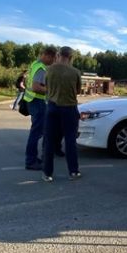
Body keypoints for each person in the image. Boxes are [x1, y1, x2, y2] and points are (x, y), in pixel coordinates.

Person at [42, 46, 82, 181]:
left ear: (59, 55)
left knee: (49, 140)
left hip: (52, 107)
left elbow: (46, 88)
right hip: (69, 108)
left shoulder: (49, 70)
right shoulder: (75, 72)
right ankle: (73, 172)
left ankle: (47, 174)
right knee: (70, 140)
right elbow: (77, 91)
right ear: (70, 58)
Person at [24, 47, 57, 170]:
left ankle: (32, 157)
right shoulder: (41, 68)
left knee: (37, 131)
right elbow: (36, 87)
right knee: (36, 132)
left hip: (32, 101)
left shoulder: (35, 64)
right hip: (37, 102)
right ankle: (31, 161)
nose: (53, 62)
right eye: (53, 59)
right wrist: (50, 90)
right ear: (48, 56)